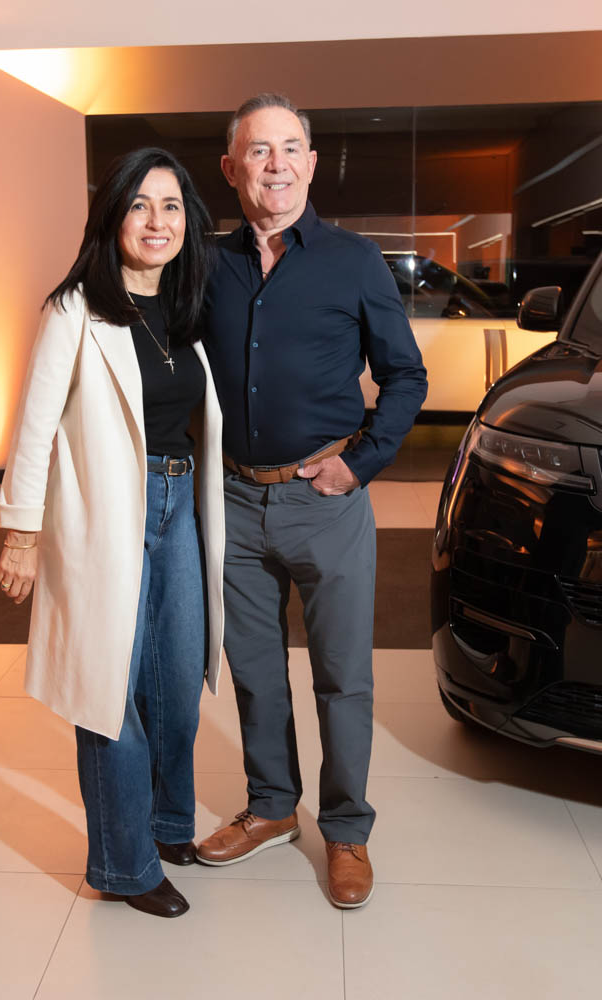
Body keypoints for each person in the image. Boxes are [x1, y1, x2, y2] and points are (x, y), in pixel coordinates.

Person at [196, 94, 427, 909]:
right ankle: (270, 808)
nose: (278, 164)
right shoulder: (206, 265)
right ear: (232, 168)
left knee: (342, 676)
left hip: (325, 501)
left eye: (291, 147)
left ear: (312, 162)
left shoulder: (353, 260)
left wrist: (358, 466)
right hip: (233, 499)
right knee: (255, 672)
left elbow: (406, 377)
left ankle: (347, 830)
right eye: (260, 151)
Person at [0, 147, 225, 919]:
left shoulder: (188, 310)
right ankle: (124, 865)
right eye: (139, 205)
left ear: (188, 220)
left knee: (178, 683)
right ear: (113, 216)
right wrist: (21, 533)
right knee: (107, 693)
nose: (157, 221)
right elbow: (34, 429)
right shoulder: (75, 310)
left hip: (179, 505)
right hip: (103, 515)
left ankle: (167, 824)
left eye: (171, 205)